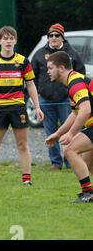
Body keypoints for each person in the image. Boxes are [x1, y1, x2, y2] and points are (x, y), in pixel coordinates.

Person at [0, 26, 44, 186]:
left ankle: (27, 179)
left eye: (11, 38)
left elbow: (31, 85)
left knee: (22, 145)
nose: (8, 41)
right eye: (5, 38)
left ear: (15, 41)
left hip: (18, 108)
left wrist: (37, 107)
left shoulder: (23, 62)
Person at [31, 23, 86, 170]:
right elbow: (32, 76)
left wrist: (71, 133)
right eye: (51, 35)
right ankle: (56, 163)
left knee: (71, 139)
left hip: (65, 100)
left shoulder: (72, 57)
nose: (53, 38)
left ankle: (71, 161)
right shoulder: (39, 54)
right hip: (46, 99)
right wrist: (39, 91)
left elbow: (84, 111)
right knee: (52, 133)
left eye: (57, 35)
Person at [45, 51, 93, 202]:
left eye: (50, 68)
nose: (48, 72)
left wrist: (71, 134)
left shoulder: (75, 83)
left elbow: (85, 110)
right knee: (87, 162)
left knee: (70, 150)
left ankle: (88, 193)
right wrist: (58, 134)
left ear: (61, 68)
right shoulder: (73, 82)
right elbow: (74, 114)